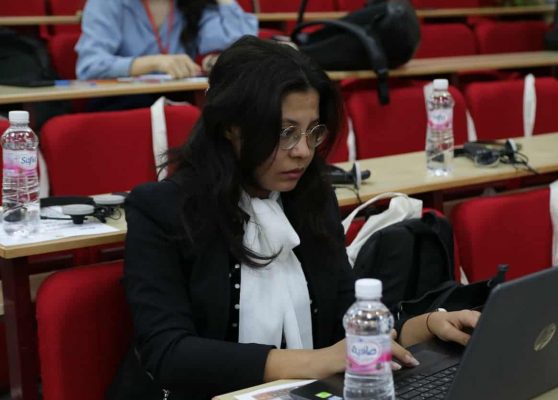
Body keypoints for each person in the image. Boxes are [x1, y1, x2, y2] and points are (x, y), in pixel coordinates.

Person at [107, 36, 480, 400]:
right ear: (230, 127)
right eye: (285, 132)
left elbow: (345, 319)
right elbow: (169, 353)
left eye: (312, 132)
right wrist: (315, 361)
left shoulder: (309, 199)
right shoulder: (162, 209)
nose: (302, 151)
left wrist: (425, 326)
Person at [76, 0, 257, 80]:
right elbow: (89, 66)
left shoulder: (193, 4)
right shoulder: (107, 3)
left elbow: (242, 44)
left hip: (180, 94)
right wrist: (155, 62)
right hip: (123, 100)